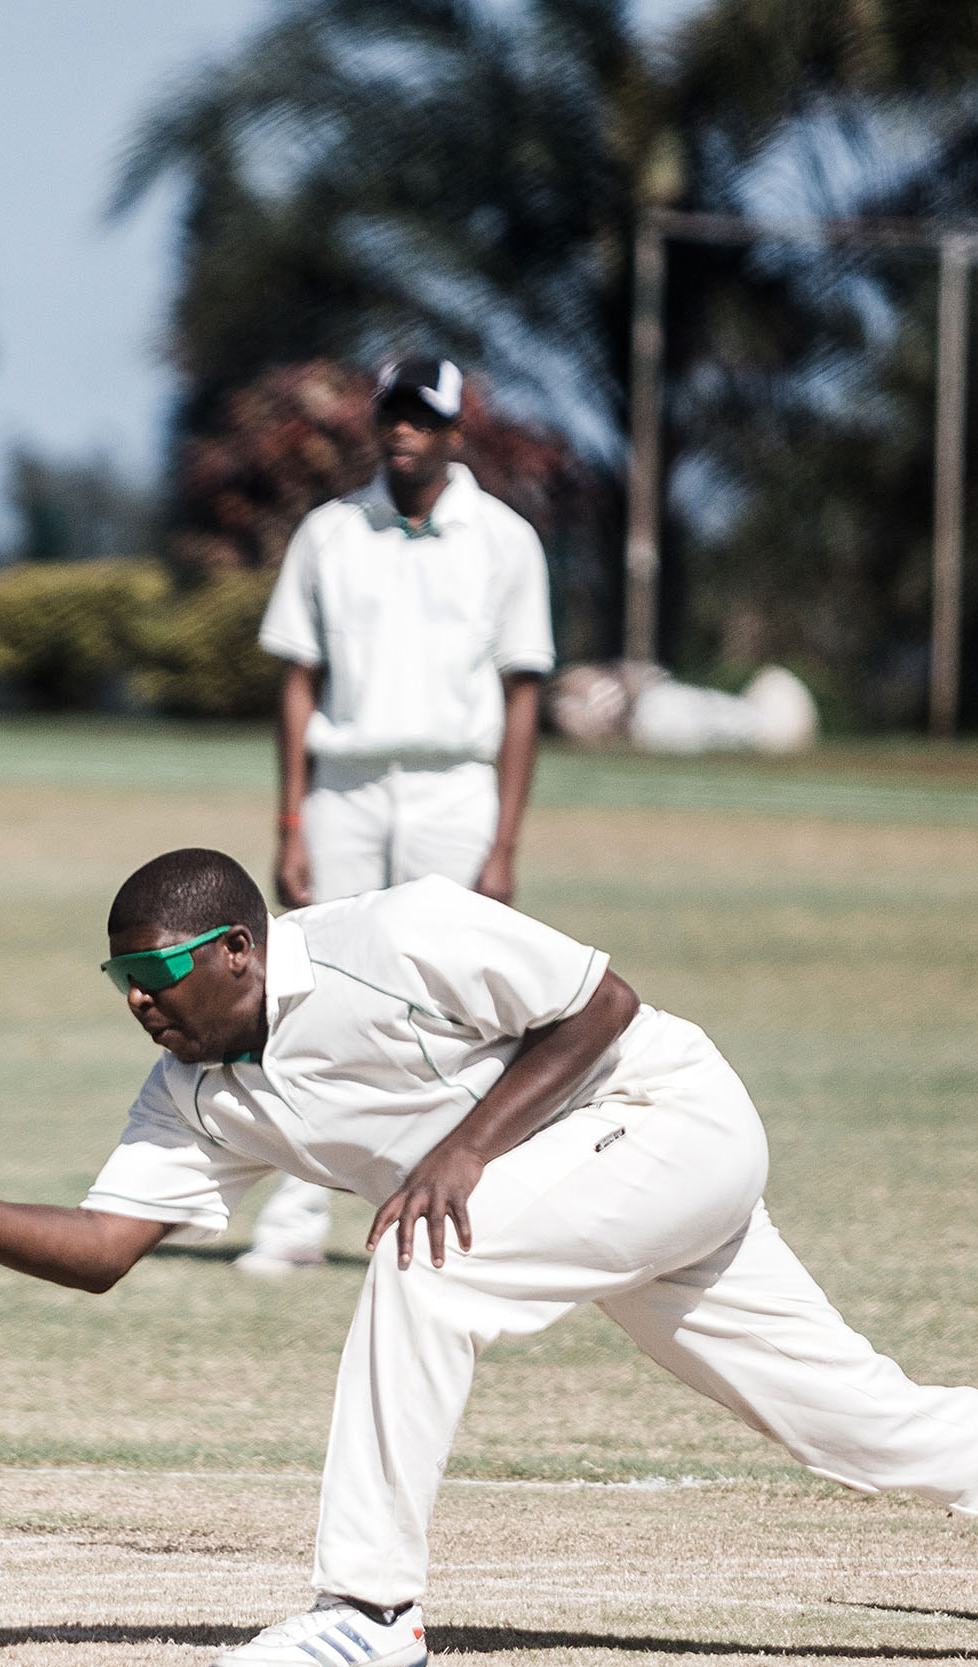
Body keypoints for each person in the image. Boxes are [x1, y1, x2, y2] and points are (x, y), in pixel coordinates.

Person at [0, 847, 978, 1667]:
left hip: (669, 1121)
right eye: (119, 987)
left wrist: (464, 1151)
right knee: (857, 1422)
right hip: (591, 1197)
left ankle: (366, 1608)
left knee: (421, 1262)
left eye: (159, 979)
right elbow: (110, 1249)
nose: (139, 1009)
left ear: (239, 948)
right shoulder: (199, 1092)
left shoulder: (397, 933)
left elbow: (603, 1002)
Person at [242, 355, 556, 1278]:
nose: (404, 431)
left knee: (455, 1003)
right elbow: (298, 682)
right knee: (311, 993)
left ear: (458, 432)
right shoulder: (330, 534)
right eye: (392, 415)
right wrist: (291, 823)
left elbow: (524, 691)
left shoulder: (503, 541)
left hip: (456, 787)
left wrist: (504, 841)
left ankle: (460, 1211)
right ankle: (295, 1220)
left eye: (424, 417)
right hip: (344, 784)